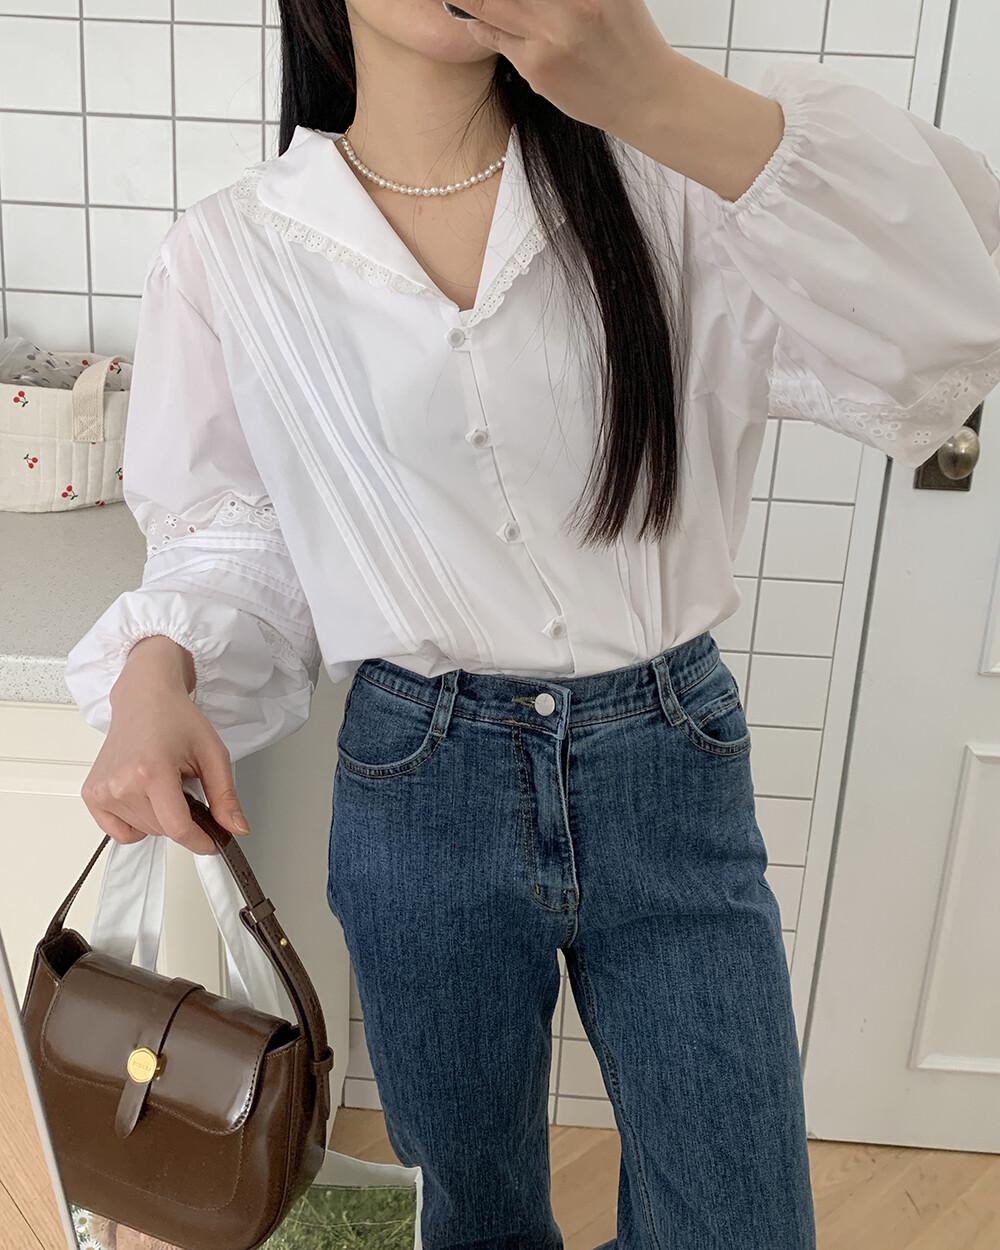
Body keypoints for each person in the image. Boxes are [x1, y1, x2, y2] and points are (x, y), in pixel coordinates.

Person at [64, 2, 1000, 1247]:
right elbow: (233, 531)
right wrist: (154, 671)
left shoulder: (674, 179)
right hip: (421, 781)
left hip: (665, 760)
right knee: (473, 1213)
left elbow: (957, 311)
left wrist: (655, 92)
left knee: (739, 1221)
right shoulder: (235, 251)